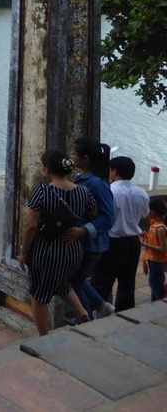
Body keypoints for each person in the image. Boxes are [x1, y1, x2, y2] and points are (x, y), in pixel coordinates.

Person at [18, 148, 95, 336]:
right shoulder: (83, 192)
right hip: (72, 251)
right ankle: (83, 314)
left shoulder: (42, 192)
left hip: (47, 251)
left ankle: (43, 337)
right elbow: (93, 212)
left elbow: (31, 226)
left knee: (39, 295)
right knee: (60, 282)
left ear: (47, 169)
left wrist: (24, 252)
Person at [65, 137, 116, 319]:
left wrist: (84, 230)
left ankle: (87, 319)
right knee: (74, 280)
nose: (71, 156)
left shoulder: (96, 183)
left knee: (74, 284)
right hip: (84, 243)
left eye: (73, 153)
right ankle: (102, 306)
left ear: (85, 158)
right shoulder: (83, 179)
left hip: (90, 244)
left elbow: (109, 218)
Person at [92, 156, 149, 312]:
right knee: (127, 283)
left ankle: (96, 318)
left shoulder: (110, 191)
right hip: (132, 242)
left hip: (112, 242)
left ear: (114, 171)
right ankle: (125, 316)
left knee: (101, 282)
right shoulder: (141, 193)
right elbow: (144, 214)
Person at [140, 197, 167, 301]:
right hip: (153, 260)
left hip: (157, 261)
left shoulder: (160, 228)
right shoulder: (154, 224)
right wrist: (147, 237)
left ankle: (160, 304)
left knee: (156, 286)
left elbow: (163, 248)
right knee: (154, 284)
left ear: (153, 212)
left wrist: (145, 245)